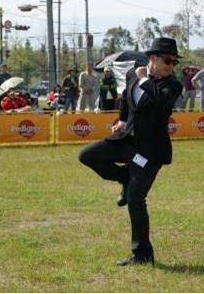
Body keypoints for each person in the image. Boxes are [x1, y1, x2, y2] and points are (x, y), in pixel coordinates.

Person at [78, 37, 183, 266]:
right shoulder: (131, 76)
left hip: (150, 152)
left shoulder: (172, 85)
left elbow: (158, 103)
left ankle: (142, 254)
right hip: (127, 142)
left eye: (174, 62)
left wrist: (145, 79)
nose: (171, 65)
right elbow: (127, 100)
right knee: (86, 155)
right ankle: (124, 176)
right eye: (167, 60)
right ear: (152, 58)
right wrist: (123, 121)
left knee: (136, 199)